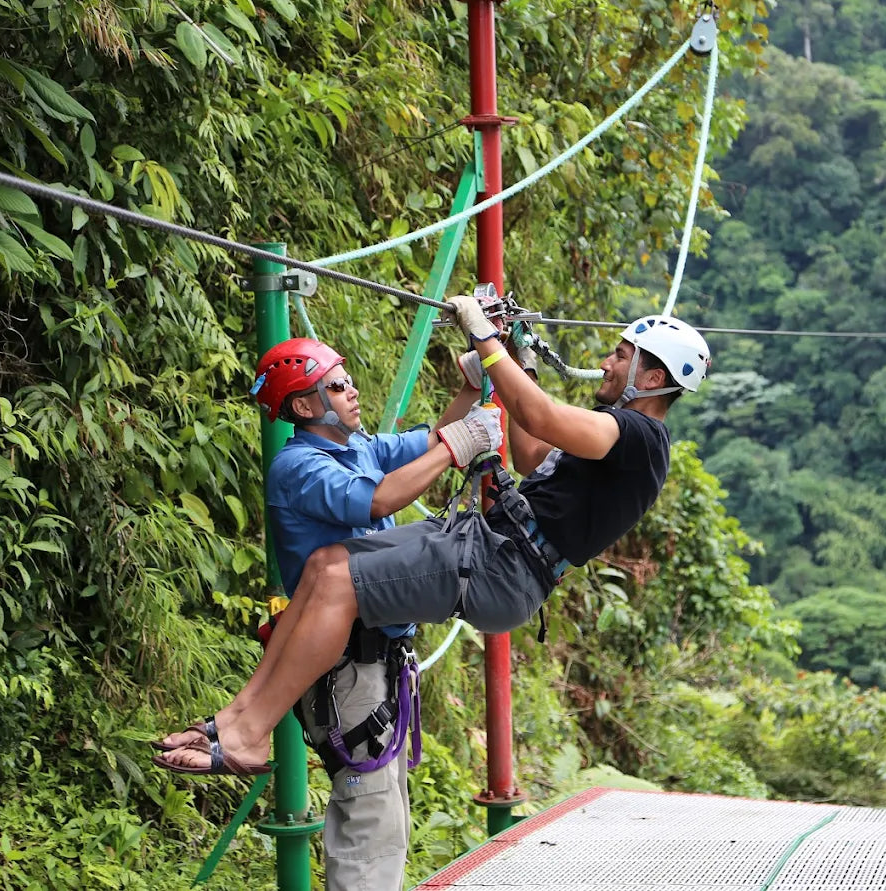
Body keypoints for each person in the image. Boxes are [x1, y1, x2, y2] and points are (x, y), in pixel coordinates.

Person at [152, 297, 710, 781]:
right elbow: (536, 452)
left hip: (502, 564)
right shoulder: (618, 434)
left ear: (652, 378)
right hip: (494, 551)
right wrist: (515, 362)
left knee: (338, 582)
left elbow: (538, 416)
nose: (608, 363)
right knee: (325, 566)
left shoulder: (637, 434)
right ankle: (234, 722)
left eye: (621, 355)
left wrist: (487, 339)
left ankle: (251, 733)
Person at [153, 337, 503, 889]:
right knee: (370, 826)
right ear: (305, 406)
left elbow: (425, 446)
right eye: (337, 386)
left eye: (347, 378)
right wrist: (459, 447)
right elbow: (380, 500)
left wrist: (465, 393)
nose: (352, 390)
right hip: (346, 669)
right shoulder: (299, 467)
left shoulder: (356, 448)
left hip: (371, 662)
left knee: (383, 820)